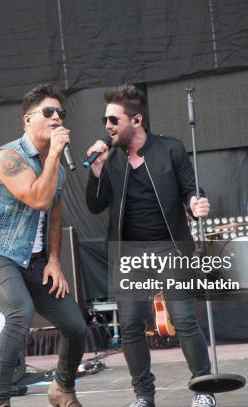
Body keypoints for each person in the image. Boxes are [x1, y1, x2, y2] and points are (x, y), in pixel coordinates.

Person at [85, 84, 214, 407]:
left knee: (183, 318)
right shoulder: (111, 160)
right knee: (129, 325)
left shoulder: (170, 149)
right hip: (128, 254)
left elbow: (190, 188)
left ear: (137, 120)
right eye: (105, 120)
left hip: (169, 248)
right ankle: (144, 396)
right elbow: (95, 205)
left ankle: (203, 388)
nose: (107, 126)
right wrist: (97, 170)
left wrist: (196, 202)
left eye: (114, 120)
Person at [0, 83, 87, 407]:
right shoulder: (7, 157)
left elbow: (54, 217)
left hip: (36, 261)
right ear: (27, 119)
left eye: (60, 113)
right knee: (20, 312)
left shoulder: (57, 171)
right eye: (48, 112)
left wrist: (53, 260)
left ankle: (62, 387)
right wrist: (53, 153)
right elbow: (38, 199)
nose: (56, 118)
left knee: (76, 325)